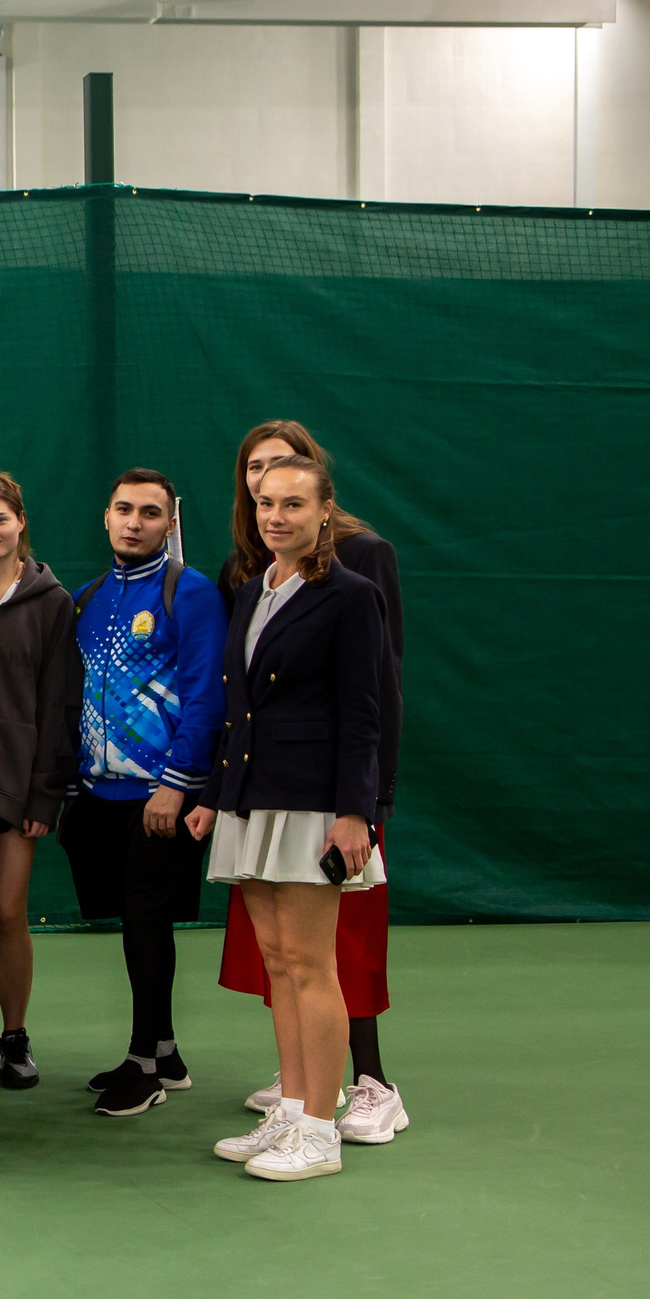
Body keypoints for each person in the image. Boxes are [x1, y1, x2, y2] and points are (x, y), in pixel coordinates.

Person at [188, 455, 387, 1182]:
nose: (276, 516)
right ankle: (294, 1107)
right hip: (251, 796)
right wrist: (215, 794)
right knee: (278, 966)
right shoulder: (251, 588)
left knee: (310, 965)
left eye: (294, 504)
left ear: (325, 510)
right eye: (266, 502)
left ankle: (319, 1130)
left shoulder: (352, 595)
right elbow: (239, 709)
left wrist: (355, 813)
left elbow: (364, 714)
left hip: (314, 805)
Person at [62, 469, 228, 1117]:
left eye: (150, 512)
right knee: (133, 919)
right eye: (125, 509)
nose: (135, 521)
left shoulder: (190, 593)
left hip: (160, 796)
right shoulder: (88, 597)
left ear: (170, 523)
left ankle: (146, 1064)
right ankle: (162, 1050)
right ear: (106, 516)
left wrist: (175, 785)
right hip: (98, 794)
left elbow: (207, 697)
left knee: (148, 922)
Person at [0, 469, 79, 1090]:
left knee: (6, 910)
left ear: (21, 522)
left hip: (17, 782)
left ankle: (14, 1036)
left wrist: (45, 792)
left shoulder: (52, 602)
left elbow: (59, 703)